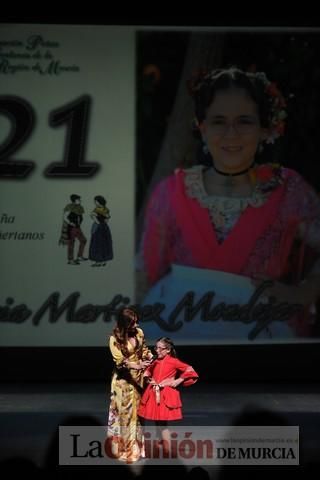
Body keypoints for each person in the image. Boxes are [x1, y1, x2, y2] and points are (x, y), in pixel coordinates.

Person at [137, 66, 320, 342]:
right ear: (202, 126)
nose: (231, 133)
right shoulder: (172, 191)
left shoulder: (289, 190)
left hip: (258, 330)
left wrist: (303, 293)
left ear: (263, 128)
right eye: (219, 121)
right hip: (175, 327)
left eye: (244, 121)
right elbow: (145, 271)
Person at [107, 306, 153, 463]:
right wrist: (136, 365)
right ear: (124, 324)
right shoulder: (114, 339)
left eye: (136, 322)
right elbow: (120, 362)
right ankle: (126, 450)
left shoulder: (139, 333)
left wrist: (148, 357)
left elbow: (144, 349)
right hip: (124, 382)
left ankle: (137, 449)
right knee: (126, 416)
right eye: (132, 323)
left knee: (138, 415)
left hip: (139, 380)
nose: (136, 326)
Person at [138, 337, 199, 455]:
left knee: (162, 424)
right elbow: (148, 371)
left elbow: (189, 369)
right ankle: (161, 445)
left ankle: (167, 450)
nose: (157, 351)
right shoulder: (154, 360)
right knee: (157, 422)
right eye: (156, 348)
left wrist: (178, 380)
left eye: (161, 348)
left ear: (168, 350)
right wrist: (147, 376)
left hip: (165, 395)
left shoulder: (173, 361)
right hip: (153, 393)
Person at [59, 194, 87, 265]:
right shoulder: (69, 206)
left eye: (79, 199)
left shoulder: (80, 207)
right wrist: (71, 223)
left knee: (83, 240)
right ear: (74, 200)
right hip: (71, 227)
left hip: (77, 227)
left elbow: (80, 217)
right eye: (78, 200)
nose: (80, 201)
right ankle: (70, 260)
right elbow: (65, 217)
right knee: (71, 243)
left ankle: (79, 256)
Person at [88, 195, 114, 267]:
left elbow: (93, 216)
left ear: (99, 202)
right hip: (104, 227)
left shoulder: (97, 209)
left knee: (98, 243)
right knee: (103, 243)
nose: (95, 203)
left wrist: (98, 222)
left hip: (99, 228)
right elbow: (106, 219)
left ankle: (99, 261)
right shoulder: (105, 209)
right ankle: (102, 261)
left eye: (96, 201)